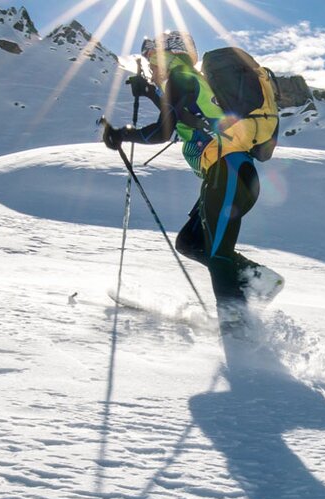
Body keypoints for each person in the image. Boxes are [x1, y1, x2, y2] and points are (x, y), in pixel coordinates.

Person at [102, 31, 282, 327]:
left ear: (168, 54)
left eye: (152, 60)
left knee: (216, 252)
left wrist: (122, 134)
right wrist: (149, 92)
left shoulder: (182, 77)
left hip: (231, 172)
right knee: (190, 242)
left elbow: (163, 130)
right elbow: (183, 113)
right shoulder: (185, 81)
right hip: (227, 176)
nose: (150, 67)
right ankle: (260, 280)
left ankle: (235, 327)